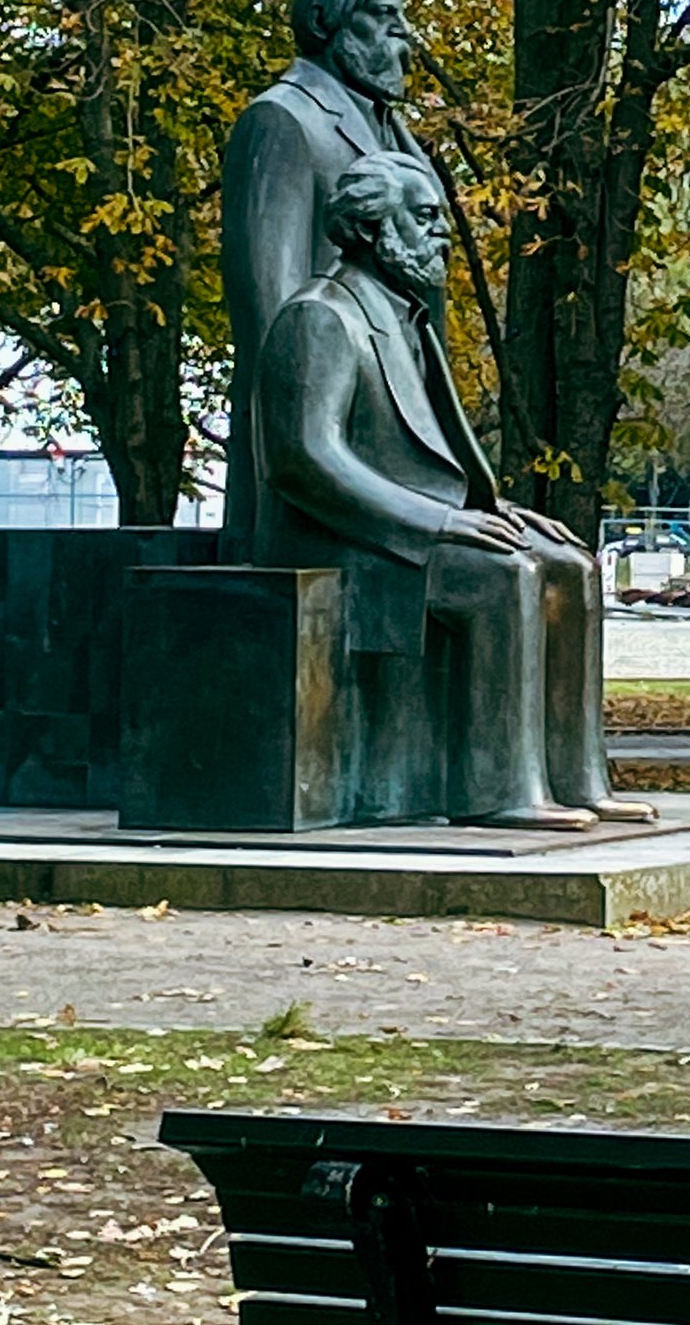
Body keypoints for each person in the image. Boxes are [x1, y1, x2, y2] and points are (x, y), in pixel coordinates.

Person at [253, 154, 655, 830]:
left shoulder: (403, 320)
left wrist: (494, 510)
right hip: (339, 541)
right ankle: (498, 789)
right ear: (374, 227)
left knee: (572, 567)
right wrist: (438, 522)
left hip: (405, 529)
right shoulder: (320, 318)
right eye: (424, 216)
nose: (442, 233)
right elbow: (305, 461)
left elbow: (426, 458)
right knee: (503, 576)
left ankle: (577, 777)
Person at [220, 0, 453, 561]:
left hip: (398, 442)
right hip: (325, 457)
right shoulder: (283, 119)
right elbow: (272, 320)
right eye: (383, 16)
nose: (402, 34)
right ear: (326, 20)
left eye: (403, 18)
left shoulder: (394, 133)